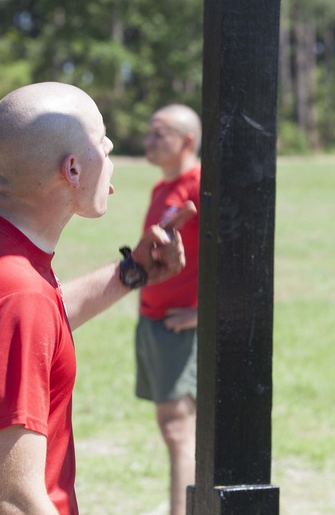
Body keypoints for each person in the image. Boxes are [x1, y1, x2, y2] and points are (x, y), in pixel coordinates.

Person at [0, 82, 193, 514]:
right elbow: (15, 501)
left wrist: (130, 274)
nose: (113, 146)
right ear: (74, 170)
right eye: (103, 140)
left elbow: (32, 321)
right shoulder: (16, 297)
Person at [137, 104, 203, 515]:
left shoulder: (199, 185)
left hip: (181, 324)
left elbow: (236, 254)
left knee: (178, 428)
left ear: (187, 141)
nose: (149, 140)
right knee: (172, 426)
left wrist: (203, 314)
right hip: (154, 319)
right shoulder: (162, 188)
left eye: (159, 133)